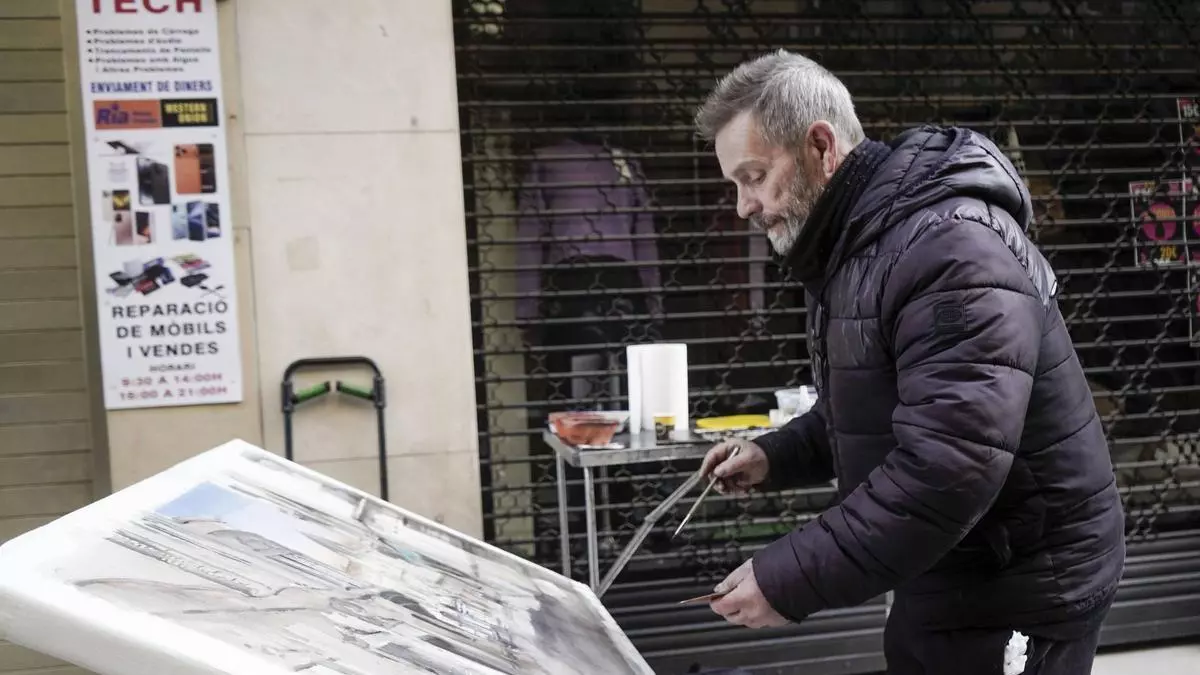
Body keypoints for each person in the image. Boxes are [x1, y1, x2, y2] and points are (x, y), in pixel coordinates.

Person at [693, 50, 1126, 675]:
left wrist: (787, 578)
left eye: (754, 176)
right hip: (952, 573)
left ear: (821, 147)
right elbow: (876, 405)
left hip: (1021, 588)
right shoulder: (860, 243)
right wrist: (774, 455)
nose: (744, 205)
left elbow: (949, 462)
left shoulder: (952, 251)